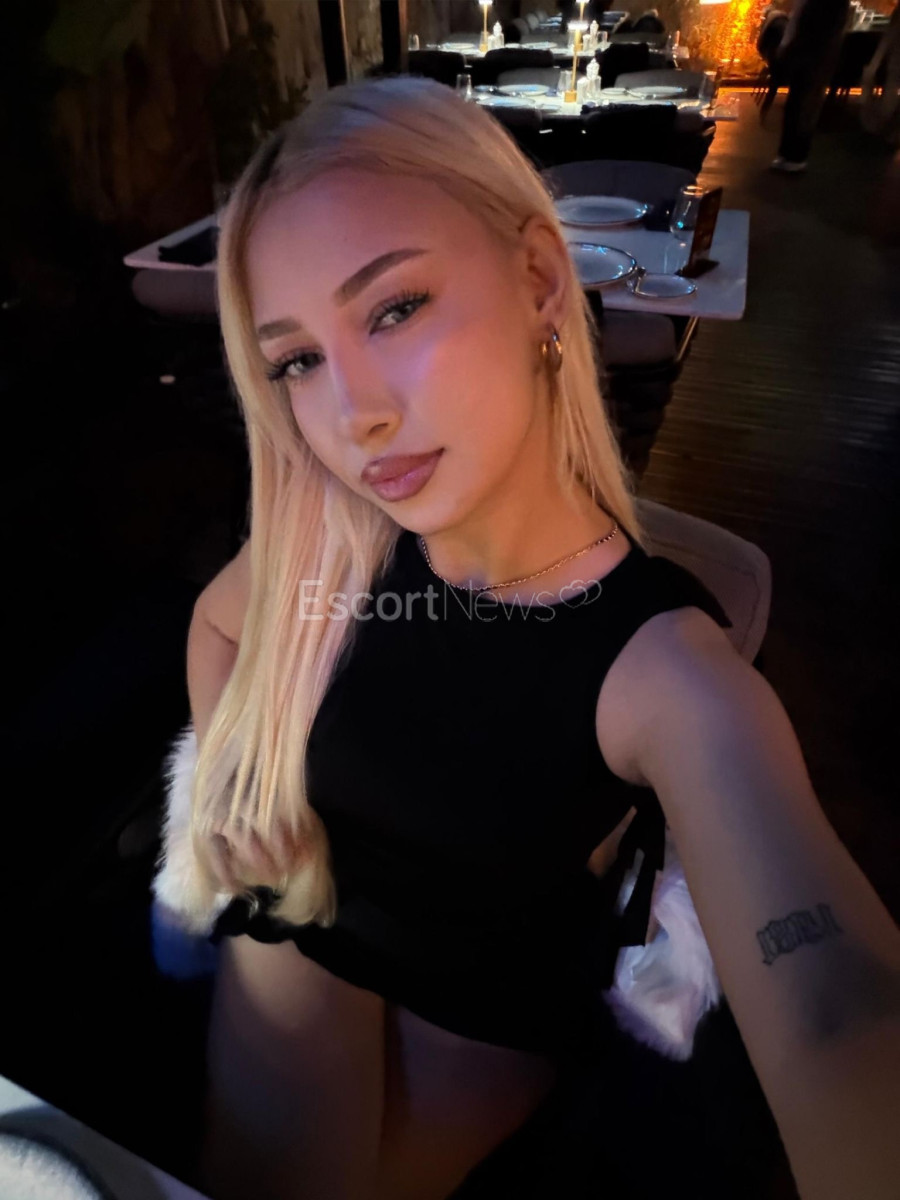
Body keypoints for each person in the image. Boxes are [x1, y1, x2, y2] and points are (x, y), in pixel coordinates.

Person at [181, 76, 900, 1200]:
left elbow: (837, 1016)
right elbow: (216, 625)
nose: (354, 413)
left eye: (394, 309)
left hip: (474, 1007)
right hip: (299, 909)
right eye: (297, 359)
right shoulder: (340, 538)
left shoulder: (666, 671)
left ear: (537, 281)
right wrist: (238, 784)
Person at [770, 0, 852, 171]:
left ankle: (794, 155)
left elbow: (798, 20)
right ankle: (790, 154)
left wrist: (786, 45)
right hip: (815, 52)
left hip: (811, 52)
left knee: (802, 103)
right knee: (800, 103)